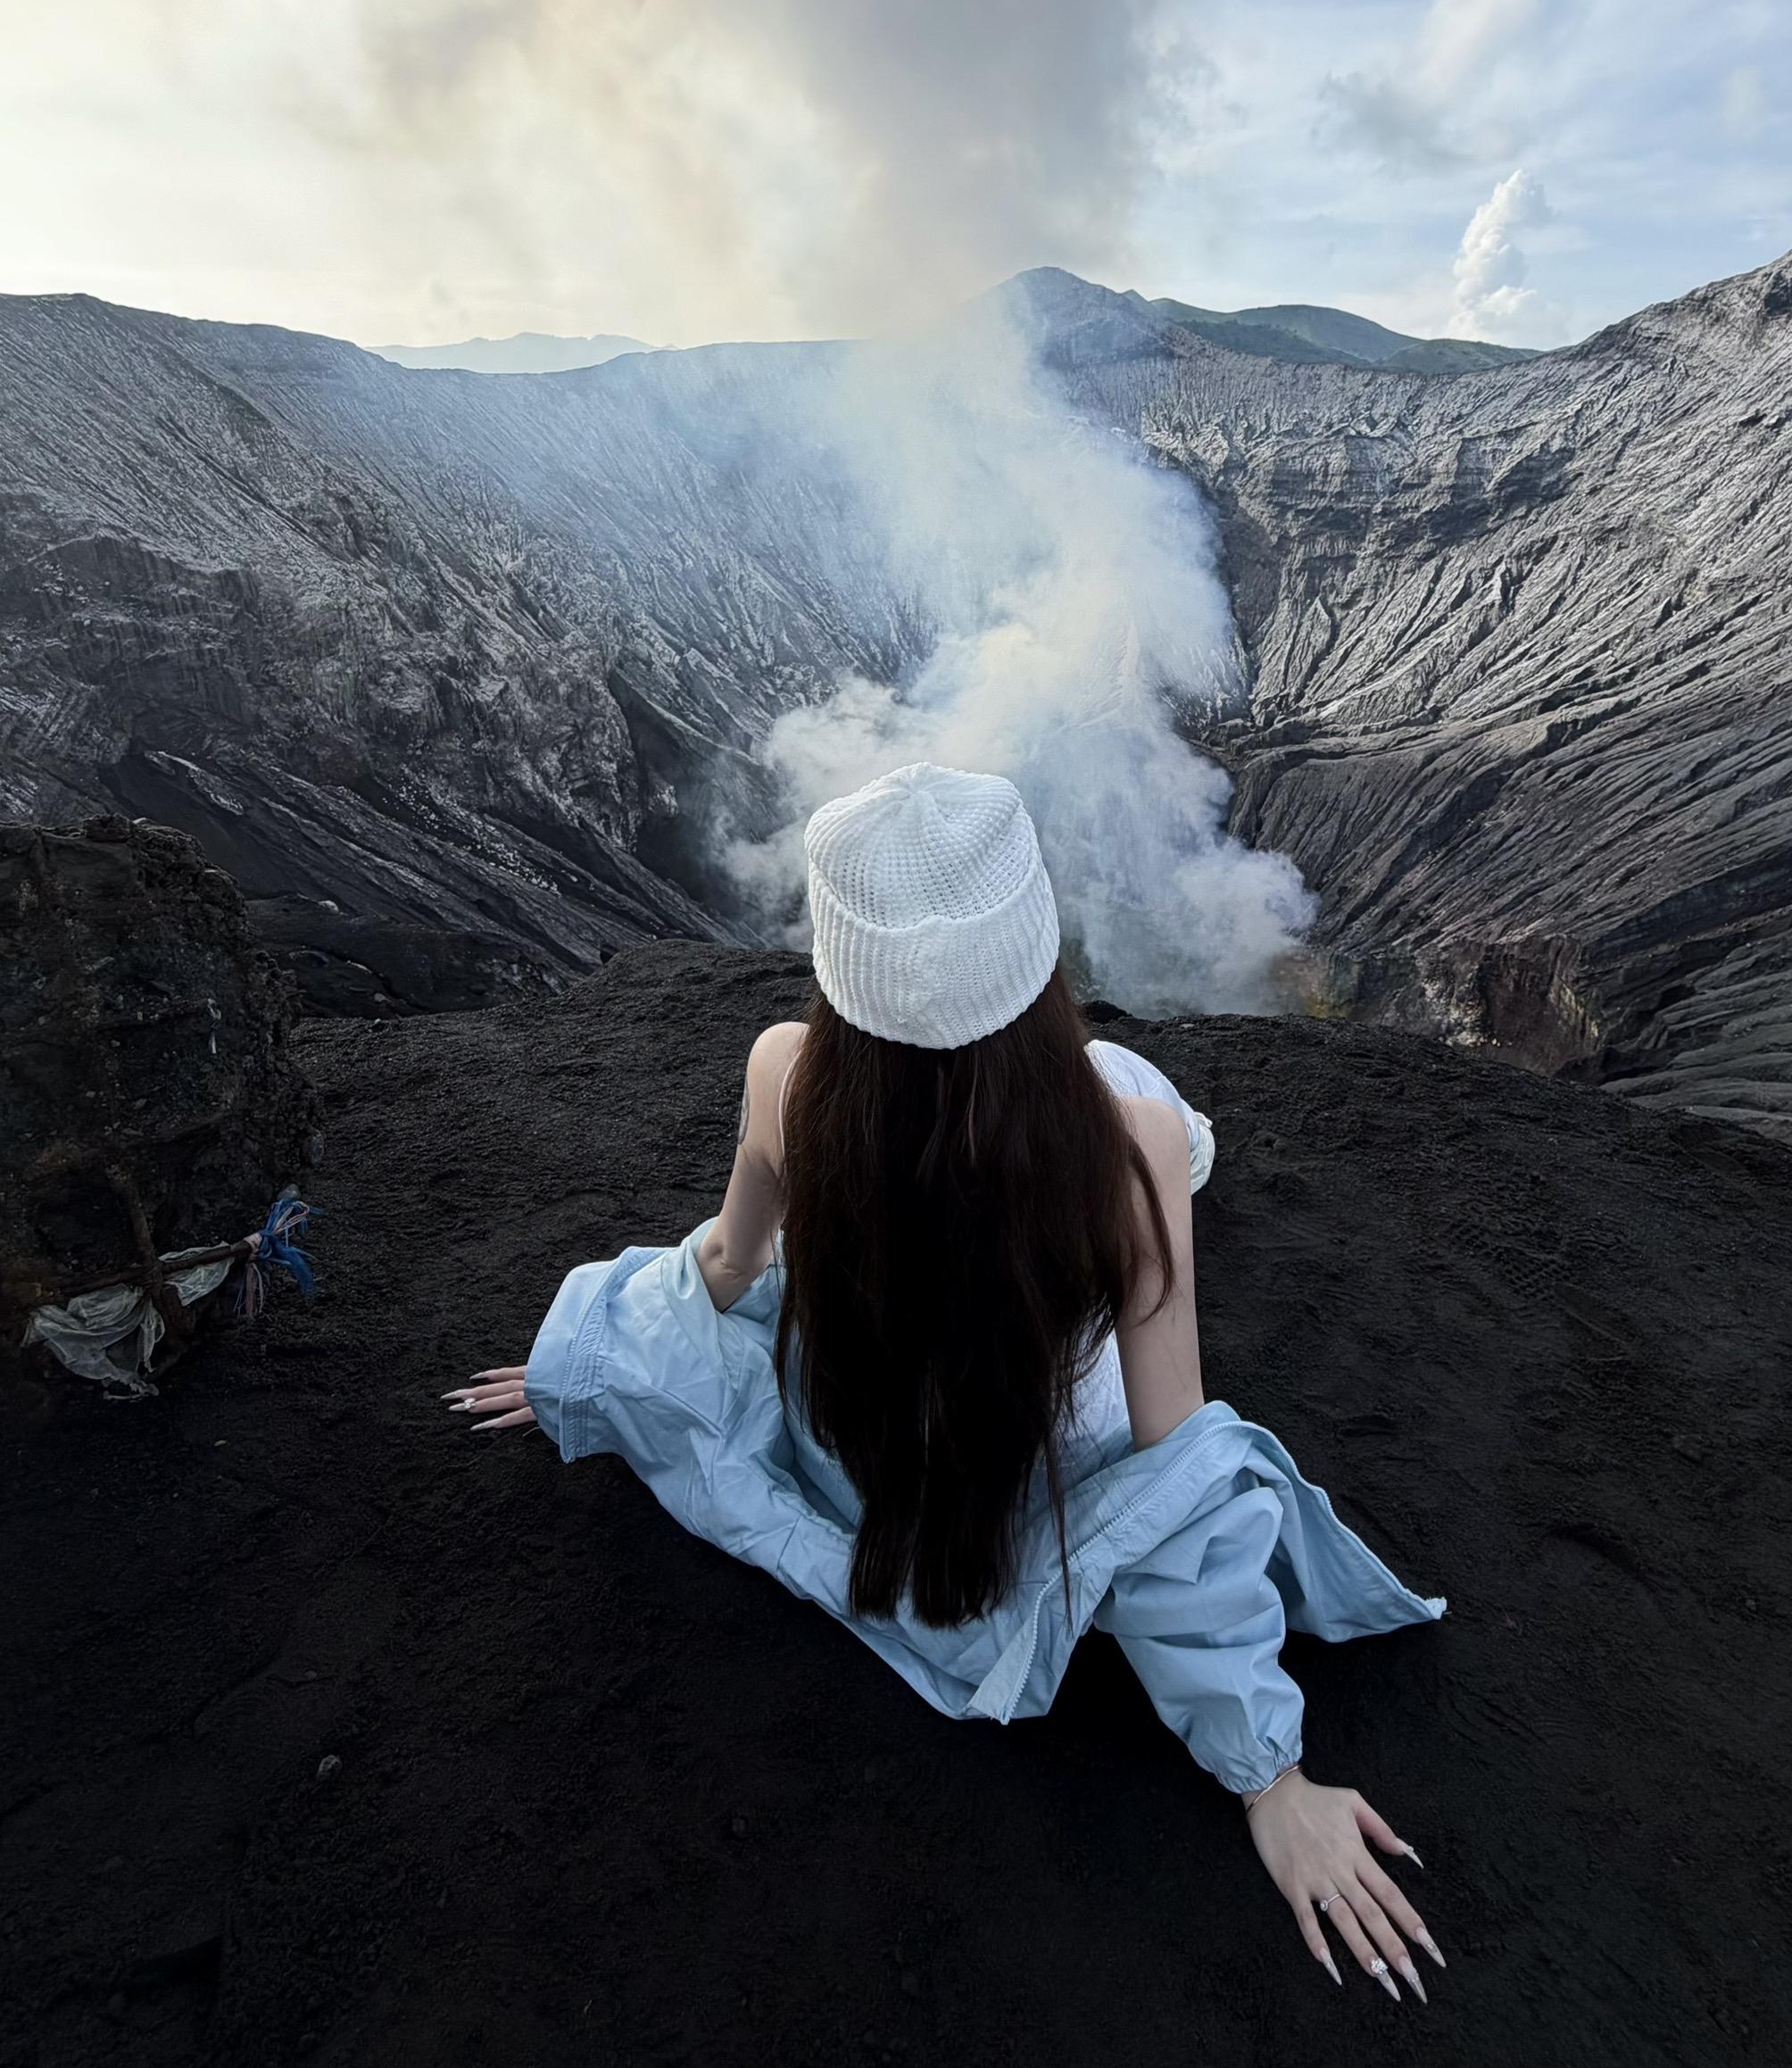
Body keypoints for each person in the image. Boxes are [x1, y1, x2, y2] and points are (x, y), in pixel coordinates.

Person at [444, 762, 1446, 2002]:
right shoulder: (1118, 1158)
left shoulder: (780, 1074)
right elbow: (1174, 1466)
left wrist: (595, 1370)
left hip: (849, 1428)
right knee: (1151, 1106)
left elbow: (722, 1265)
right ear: (1035, 962)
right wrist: (1270, 1777)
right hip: (1017, 1444)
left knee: (1109, 1118)